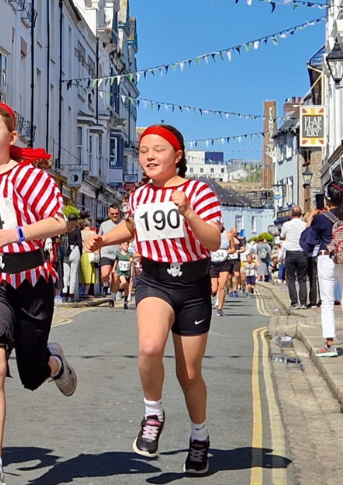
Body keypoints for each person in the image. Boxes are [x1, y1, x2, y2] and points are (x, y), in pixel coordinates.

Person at [85, 123, 222, 475]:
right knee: (149, 348)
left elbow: (213, 242)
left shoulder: (200, 192)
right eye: (144, 150)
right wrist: (103, 241)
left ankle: (199, 437)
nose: (149, 156)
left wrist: (188, 211)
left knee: (189, 374)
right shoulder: (140, 194)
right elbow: (132, 228)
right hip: (154, 280)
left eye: (158, 149)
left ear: (177, 156)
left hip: (192, 285)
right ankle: (153, 413)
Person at [0, 102, 76, 485]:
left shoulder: (31, 178)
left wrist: (17, 234)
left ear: (12, 138)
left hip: (32, 281)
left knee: (31, 373)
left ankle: (54, 363)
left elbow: (59, 223)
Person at [305, 182, 343, 357]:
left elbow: (307, 243)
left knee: (327, 303)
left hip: (327, 258)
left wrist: (311, 218)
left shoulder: (321, 218)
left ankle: (330, 345)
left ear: (327, 199)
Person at [281, 206, 309, 309]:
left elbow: (282, 235)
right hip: (302, 253)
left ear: (291, 214)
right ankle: (303, 303)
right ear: (301, 214)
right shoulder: (305, 225)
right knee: (302, 279)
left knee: (291, 279)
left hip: (291, 253)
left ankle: (294, 303)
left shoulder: (286, 224)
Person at [98, 204, 122, 302]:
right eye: (112, 214)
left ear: (119, 213)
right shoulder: (104, 225)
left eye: (116, 214)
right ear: (109, 213)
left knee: (116, 277)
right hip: (106, 253)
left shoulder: (123, 224)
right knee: (105, 274)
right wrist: (96, 249)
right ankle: (105, 285)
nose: (115, 216)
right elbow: (99, 238)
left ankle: (112, 298)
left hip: (119, 255)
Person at [209, 225, 234, 316]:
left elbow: (233, 248)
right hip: (213, 263)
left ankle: (220, 309)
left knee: (222, 286)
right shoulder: (210, 234)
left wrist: (228, 251)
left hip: (225, 262)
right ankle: (213, 293)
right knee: (214, 288)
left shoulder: (228, 235)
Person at [62, 214, 82, 302]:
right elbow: (80, 243)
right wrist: (80, 253)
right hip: (74, 250)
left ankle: (64, 295)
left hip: (65, 251)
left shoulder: (65, 229)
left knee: (65, 274)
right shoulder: (77, 230)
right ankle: (71, 295)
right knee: (73, 274)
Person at [79, 218, 98, 298]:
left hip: (82, 254)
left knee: (82, 273)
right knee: (89, 273)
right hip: (90, 253)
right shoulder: (93, 233)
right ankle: (86, 293)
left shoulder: (80, 233)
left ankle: (79, 291)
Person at [112, 241, 134, 308]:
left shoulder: (130, 254)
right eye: (124, 244)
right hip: (120, 271)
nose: (126, 246)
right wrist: (113, 269)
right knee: (124, 282)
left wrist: (132, 261)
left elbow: (132, 263)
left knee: (126, 287)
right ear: (120, 246)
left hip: (127, 272)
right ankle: (119, 289)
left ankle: (125, 302)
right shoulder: (118, 254)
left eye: (127, 244)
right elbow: (116, 262)